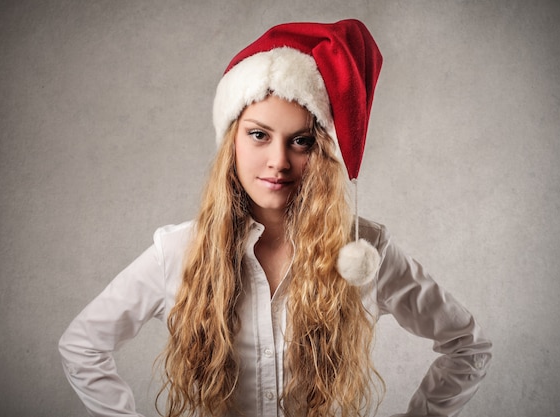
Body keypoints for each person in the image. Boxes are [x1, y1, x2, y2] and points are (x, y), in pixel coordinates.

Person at [59, 19, 492, 417]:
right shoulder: (179, 251)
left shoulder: (362, 252)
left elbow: (467, 346)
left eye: (301, 141)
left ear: (322, 153)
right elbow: (82, 347)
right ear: (232, 140)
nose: (278, 161)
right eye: (259, 135)